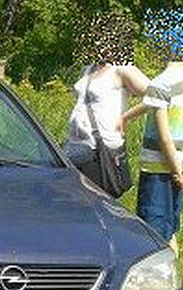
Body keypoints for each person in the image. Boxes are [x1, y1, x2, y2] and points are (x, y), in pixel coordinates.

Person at [131, 58, 183, 254]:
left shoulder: (160, 83)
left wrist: (178, 173)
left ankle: (162, 280)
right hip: (178, 166)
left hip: (156, 171)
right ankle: (174, 276)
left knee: (153, 234)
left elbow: (165, 138)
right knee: (169, 231)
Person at [62, 62, 149, 192]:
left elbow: (159, 95)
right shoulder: (88, 69)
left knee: (97, 202)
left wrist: (126, 117)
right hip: (75, 145)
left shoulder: (122, 70)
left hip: (100, 149)